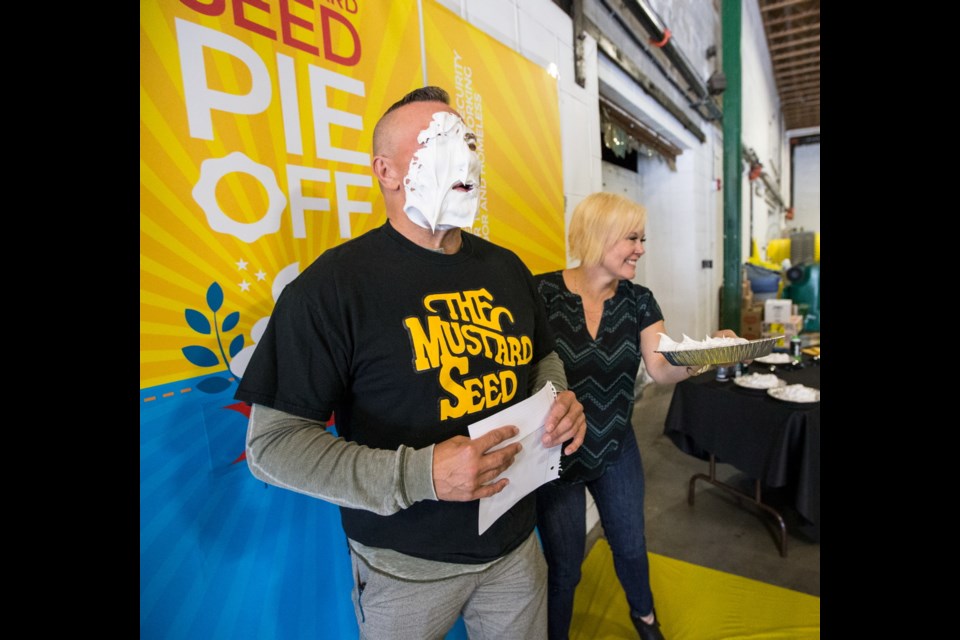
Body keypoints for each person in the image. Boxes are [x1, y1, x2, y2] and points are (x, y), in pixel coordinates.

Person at [234, 86, 586, 640]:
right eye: (438, 141)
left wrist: (560, 401)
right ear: (387, 170)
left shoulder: (507, 268)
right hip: (405, 569)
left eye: (467, 141)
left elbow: (542, 357)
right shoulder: (333, 288)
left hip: (516, 547)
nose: (466, 156)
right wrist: (419, 475)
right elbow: (271, 448)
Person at [534, 192, 739, 640]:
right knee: (565, 568)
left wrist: (707, 354)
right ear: (598, 236)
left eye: (642, 238)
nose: (641, 248)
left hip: (615, 445)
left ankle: (646, 622)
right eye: (632, 237)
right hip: (555, 454)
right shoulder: (541, 292)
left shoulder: (638, 299)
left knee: (630, 546)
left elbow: (661, 367)